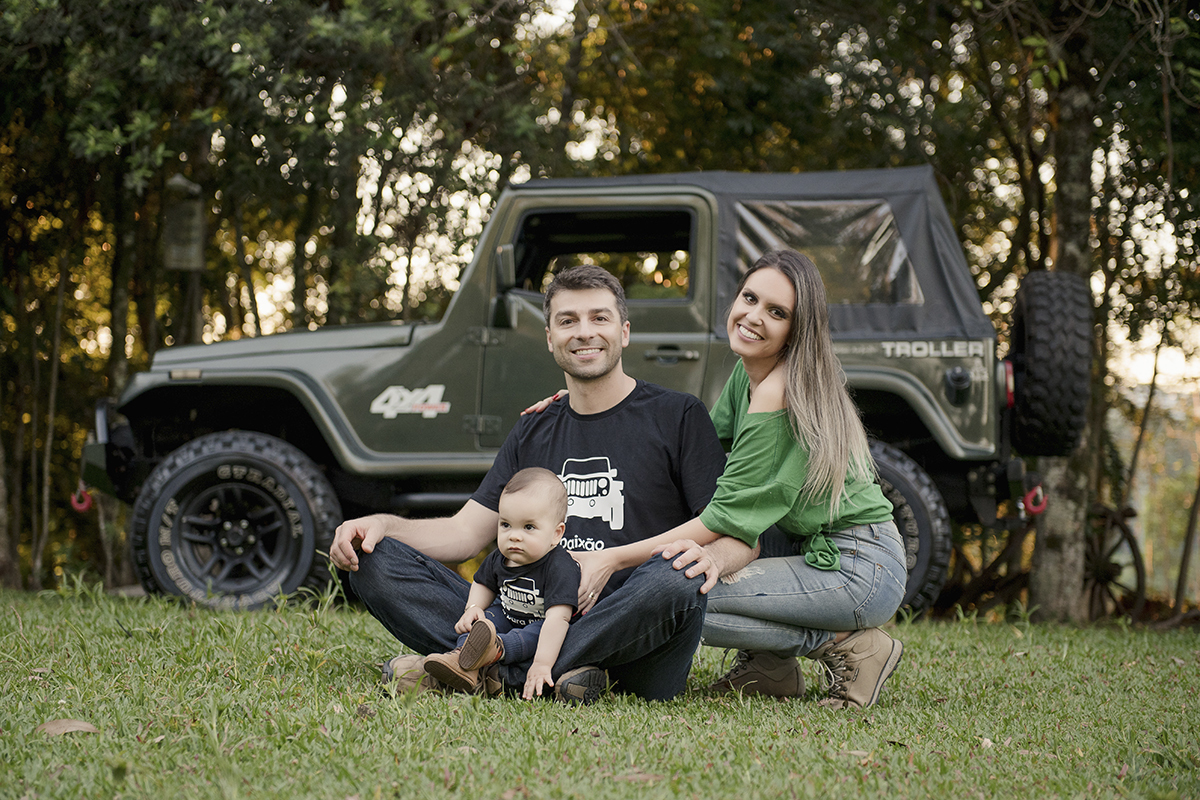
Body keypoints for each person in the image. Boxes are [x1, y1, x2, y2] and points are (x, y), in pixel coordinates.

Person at [329, 264, 727, 703]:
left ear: (624, 332)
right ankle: (559, 672)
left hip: (632, 632)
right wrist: (382, 524)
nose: (584, 332)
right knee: (372, 558)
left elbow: (724, 528)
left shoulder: (679, 416)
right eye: (567, 320)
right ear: (550, 337)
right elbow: (464, 533)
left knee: (677, 575)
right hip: (522, 614)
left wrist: (619, 562)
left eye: (599, 318)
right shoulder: (533, 429)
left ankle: (478, 665)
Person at [527, 250, 907, 709]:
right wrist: (576, 400)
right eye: (750, 298)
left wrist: (612, 558)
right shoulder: (747, 377)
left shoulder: (778, 392)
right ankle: (772, 669)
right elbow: (698, 450)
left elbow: (722, 514)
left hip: (860, 565)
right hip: (808, 548)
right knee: (682, 581)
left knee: (678, 601)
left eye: (777, 312)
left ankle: (850, 645)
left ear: (796, 329)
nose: (753, 316)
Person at [423, 467, 581, 700]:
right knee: (482, 623)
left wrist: (541, 664)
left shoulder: (559, 566)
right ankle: (460, 660)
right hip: (507, 615)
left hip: (543, 624)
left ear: (556, 534)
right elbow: (483, 583)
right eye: (506, 525)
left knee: (534, 633)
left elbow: (559, 619)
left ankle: (493, 651)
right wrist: (473, 608)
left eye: (528, 527)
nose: (514, 536)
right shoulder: (500, 557)